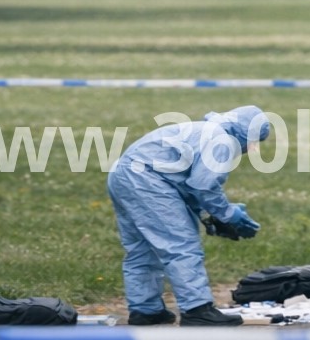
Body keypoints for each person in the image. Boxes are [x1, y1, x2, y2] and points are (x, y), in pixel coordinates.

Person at [107, 106, 269, 326]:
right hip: (147, 180)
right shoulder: (222, 141)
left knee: (141, 248)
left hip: (122, 174)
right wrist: (229, 215)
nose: (250, 150)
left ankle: (145, 309)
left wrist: (209, 217)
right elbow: (204, 186)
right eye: (253, 143)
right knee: (180, 245)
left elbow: (186, 185)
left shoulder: (201, 129)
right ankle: (197, 310)